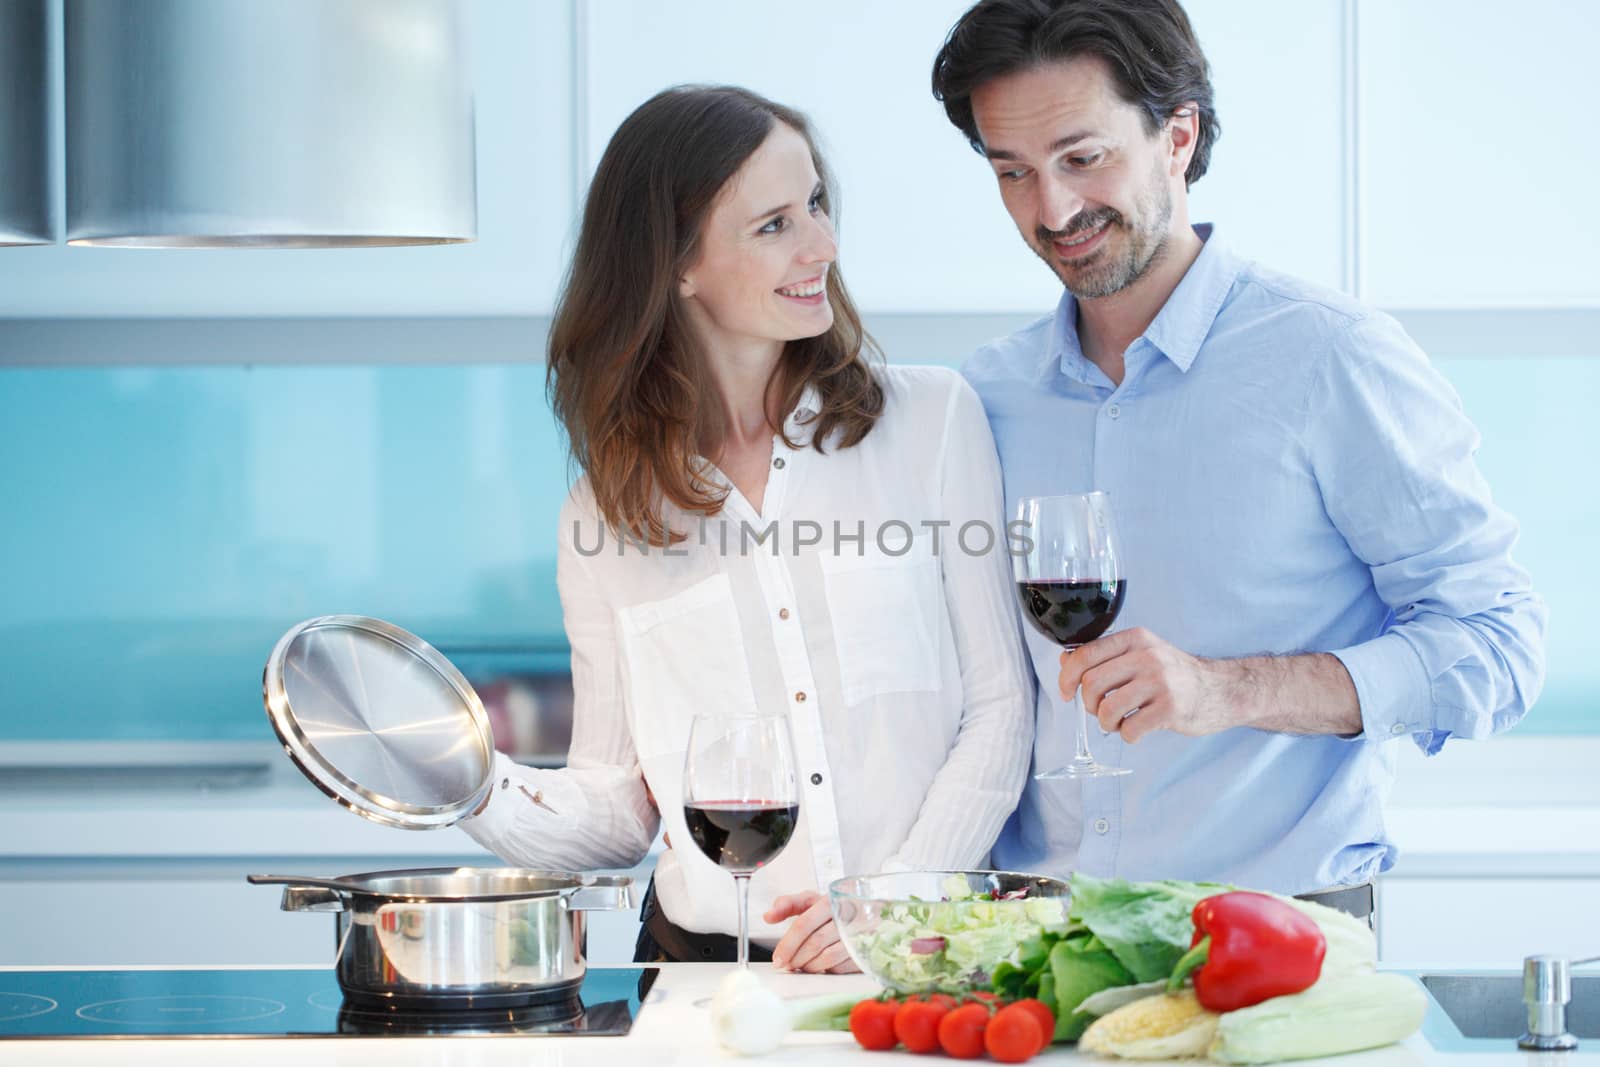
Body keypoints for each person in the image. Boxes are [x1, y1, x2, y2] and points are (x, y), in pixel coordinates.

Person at [931, 0, 1546, 918]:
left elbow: (1499, 642)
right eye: (1012, 171)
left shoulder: (1329, 358)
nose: (1050, 209)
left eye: (1082, 157)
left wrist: (1226, 690)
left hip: (1278, 935)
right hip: (1032, 935)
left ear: (1177, 137)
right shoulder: (984, 397)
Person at [460, 85, 1034, 969]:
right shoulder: (604, 514)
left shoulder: (932, 422)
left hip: (923, 955)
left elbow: (999, 708)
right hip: (703, 971)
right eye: (774, 225)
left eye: (816, 204)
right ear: (677, 265)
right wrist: (465, 786)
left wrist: (897, 898)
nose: (823, 246)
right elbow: (617, 805)